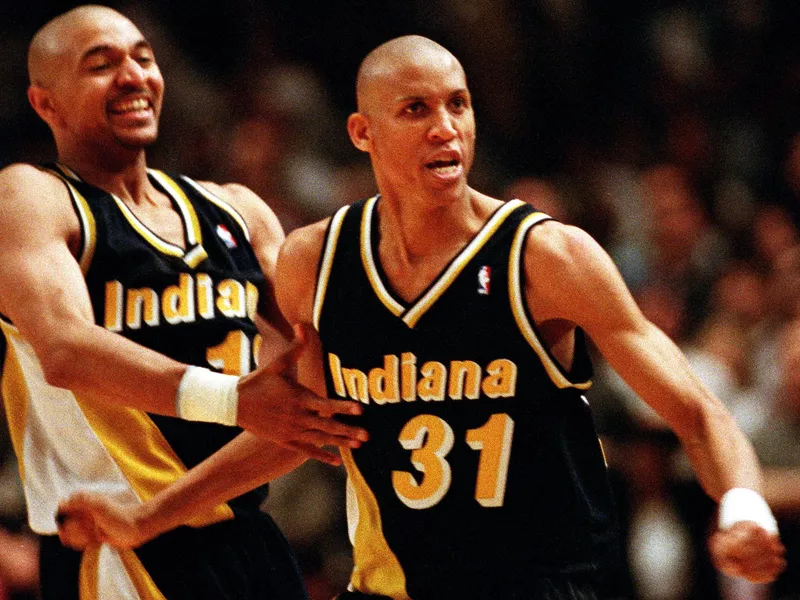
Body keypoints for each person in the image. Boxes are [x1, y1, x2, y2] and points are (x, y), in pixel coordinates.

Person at [57, 35, 786, 599]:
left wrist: (746, 506)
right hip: (390, 586)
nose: (446, 128)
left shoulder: (546, 258)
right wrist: (149, 518)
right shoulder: (317, 262)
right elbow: (304, 430)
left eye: (458, 104)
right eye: (416, 110)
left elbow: (695, 409)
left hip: (539, 586)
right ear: (361, 132)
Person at [0, 5, 368, 600]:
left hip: (247, 537)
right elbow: (65, 351)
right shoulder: (33, 197)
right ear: (46, 104)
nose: (131, 75)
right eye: (101, 64)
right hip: (116, 549)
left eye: (143, 58)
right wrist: (233, 400)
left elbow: (315, 374)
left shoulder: (236, 208)